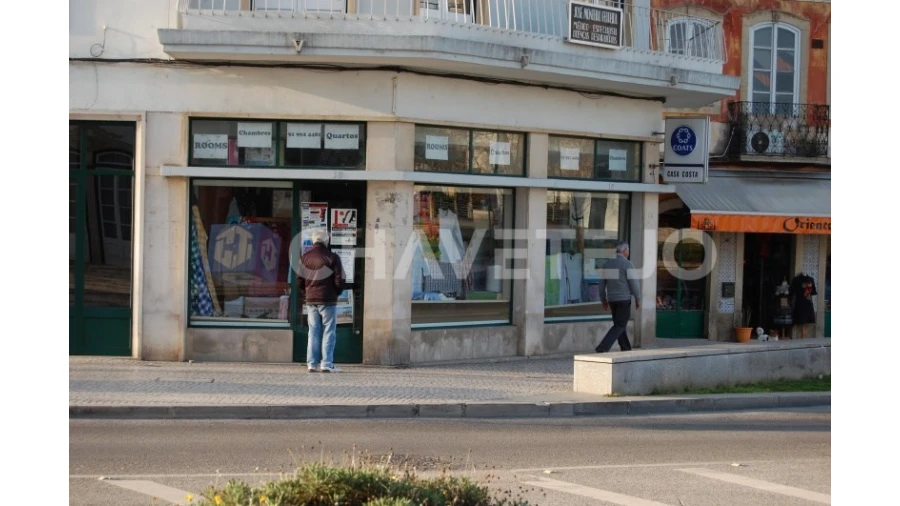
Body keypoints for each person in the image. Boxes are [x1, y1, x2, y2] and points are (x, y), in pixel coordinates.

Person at [300, 229, 345, 372]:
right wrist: (336, 292)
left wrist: (307, 292)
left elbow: (299, 280)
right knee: (329, 331)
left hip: (311, 299)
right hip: (328, 299)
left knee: (313, 331)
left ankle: (312, 364)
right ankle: (326, 363)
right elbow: (339, 279)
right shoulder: (332, 257)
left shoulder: (304, 258)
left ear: (314, 241)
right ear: (326, 241)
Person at [595, 241, 641, 353]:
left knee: (619, 324)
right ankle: (603, 347)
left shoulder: (607, 264)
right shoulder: (627, 264)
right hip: (624, 300)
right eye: (628, 250)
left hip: (612, 300)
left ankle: (625, 348)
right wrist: (638, 298)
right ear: (624, 251)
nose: (628, 252)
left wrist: (603, 300)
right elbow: (634, 283)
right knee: (620, 325)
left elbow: (601, 285)